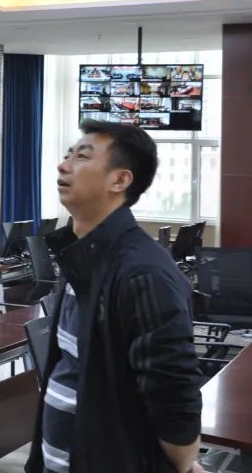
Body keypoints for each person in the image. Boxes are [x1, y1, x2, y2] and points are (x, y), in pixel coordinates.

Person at [27, 121, 203, 473]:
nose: (63, 165)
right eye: (68, 155)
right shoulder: (83, 258)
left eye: (82, 157)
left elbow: (173, 388)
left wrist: (184, 461)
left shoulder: (142, 271)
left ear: (120, 180)